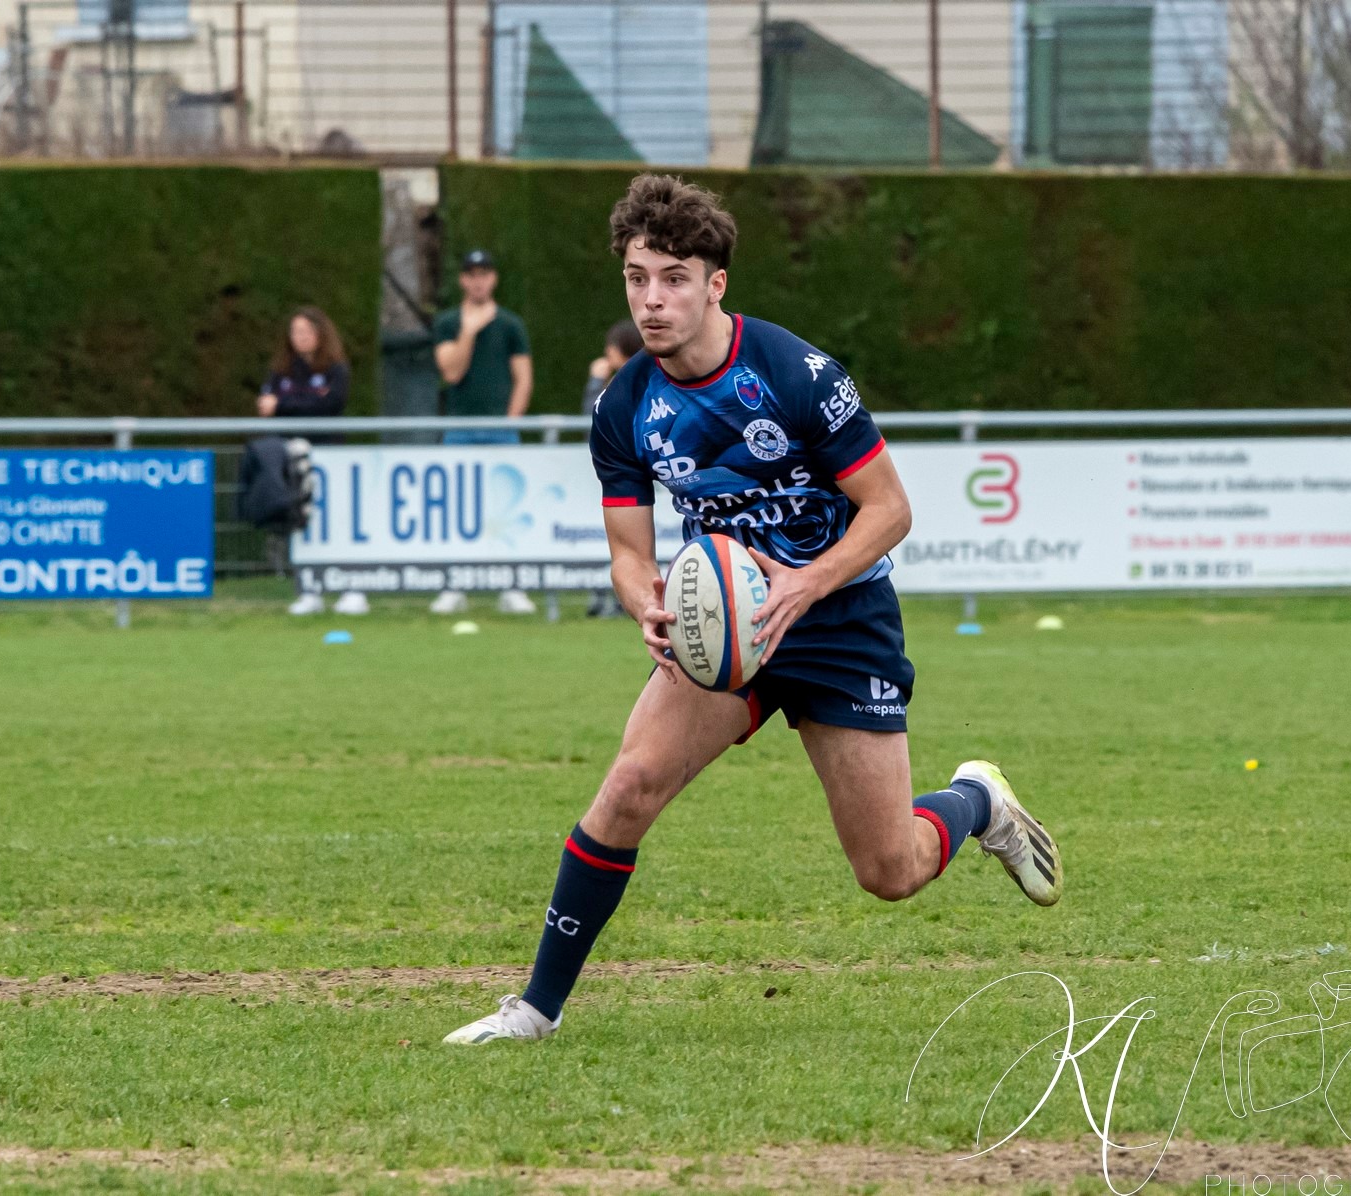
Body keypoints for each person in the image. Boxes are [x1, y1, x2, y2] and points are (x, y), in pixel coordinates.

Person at [443, 174, 1062, 1046]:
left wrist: (807, 582)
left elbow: (890, 511)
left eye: (673, 278)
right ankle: (535, 1010)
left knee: (889, 870)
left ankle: (976, 800)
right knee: (627, 788)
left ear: (715, 284)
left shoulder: (796, 375)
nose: (652, 300)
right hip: (726, 628)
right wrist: (646, 605)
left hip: (841, 622)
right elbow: (629, 552)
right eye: (636, 278)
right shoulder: (623, 406)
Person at [431, 249, 536, 616]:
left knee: (507, 507)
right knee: (456, 508)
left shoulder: (510, 325)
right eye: (472, 274)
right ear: (463, 279)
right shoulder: (448, 323)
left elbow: (523, 379)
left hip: (500, 432)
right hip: (458, 430)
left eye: (485, 274)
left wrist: (510, 422)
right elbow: (451, 372)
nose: (478, 281)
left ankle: (512, 584)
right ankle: (453, 584)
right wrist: (469, 332)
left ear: (493, 279)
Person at [256, 307, 366, 616]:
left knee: (338, 521)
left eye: (306, 332)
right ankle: (310, 590)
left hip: (329, 455)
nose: (300, 338)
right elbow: (268, 404)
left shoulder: (336, 369)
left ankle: (352, 588)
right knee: (302, 522)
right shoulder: (281, 371)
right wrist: (291, 406)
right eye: (295, 332)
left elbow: (329, 405)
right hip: (292, 456)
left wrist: (285, 405)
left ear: (320, 334)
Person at [581, 319, 644, 618]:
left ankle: (619, 600)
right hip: (632, 484)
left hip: (628, 484)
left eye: (611, 347)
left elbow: (596, 420)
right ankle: (615, 598)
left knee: (621, 542)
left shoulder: (630, 384)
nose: (606, 353)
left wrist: (595, 383)